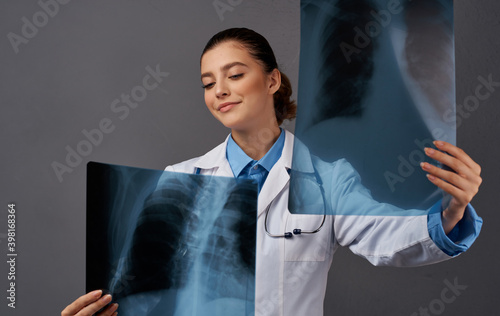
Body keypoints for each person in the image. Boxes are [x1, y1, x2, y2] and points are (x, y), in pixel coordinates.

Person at [62, 28, 482, 316]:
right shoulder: (181, 177)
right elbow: (142, 295)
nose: (220, 91)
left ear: (272, 80)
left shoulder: (326, 178)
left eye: (235, 74)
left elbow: (385, 236)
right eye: (208, 83)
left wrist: (449, 213)